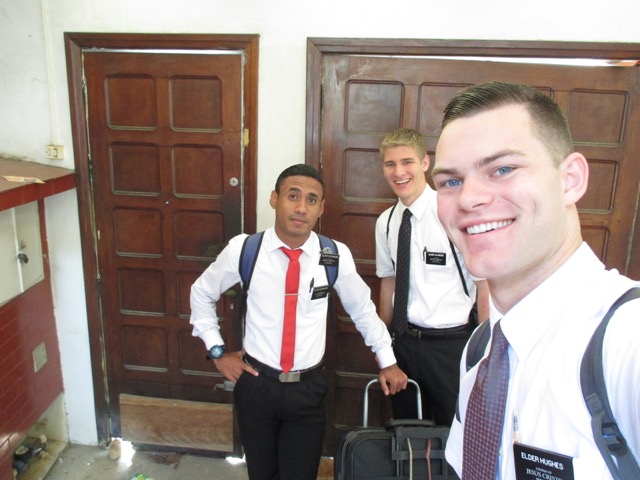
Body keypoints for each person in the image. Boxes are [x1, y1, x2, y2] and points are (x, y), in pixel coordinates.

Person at [432, 82, 640, 479]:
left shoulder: (626, 342)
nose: (469, 198)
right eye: (450, 182)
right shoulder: (480, 350)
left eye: (503, 169)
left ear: (570, 179)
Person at [190, 163, 408, 480]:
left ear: (321, 208)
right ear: (274, 199)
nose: (301, 207)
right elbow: (201, 292)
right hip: (256, 385)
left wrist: (387, 361)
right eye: (293, 196)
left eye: (311, 199)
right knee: (261, 473)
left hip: (307, 389)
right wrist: (217, 352)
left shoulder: (334, 255)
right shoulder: (246, 250)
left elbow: (362, 310)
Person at [375, 128, 489, 425]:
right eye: (390, 164)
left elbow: (484, 283)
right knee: (407, 430)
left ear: (425, 163)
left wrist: (485, 348)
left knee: (455, 429)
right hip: (404, 343)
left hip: (450, 346)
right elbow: (388, 280)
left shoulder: (451, 212)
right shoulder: (386, 221)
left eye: (407, 162)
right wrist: (384, 341)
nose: (399, 172)